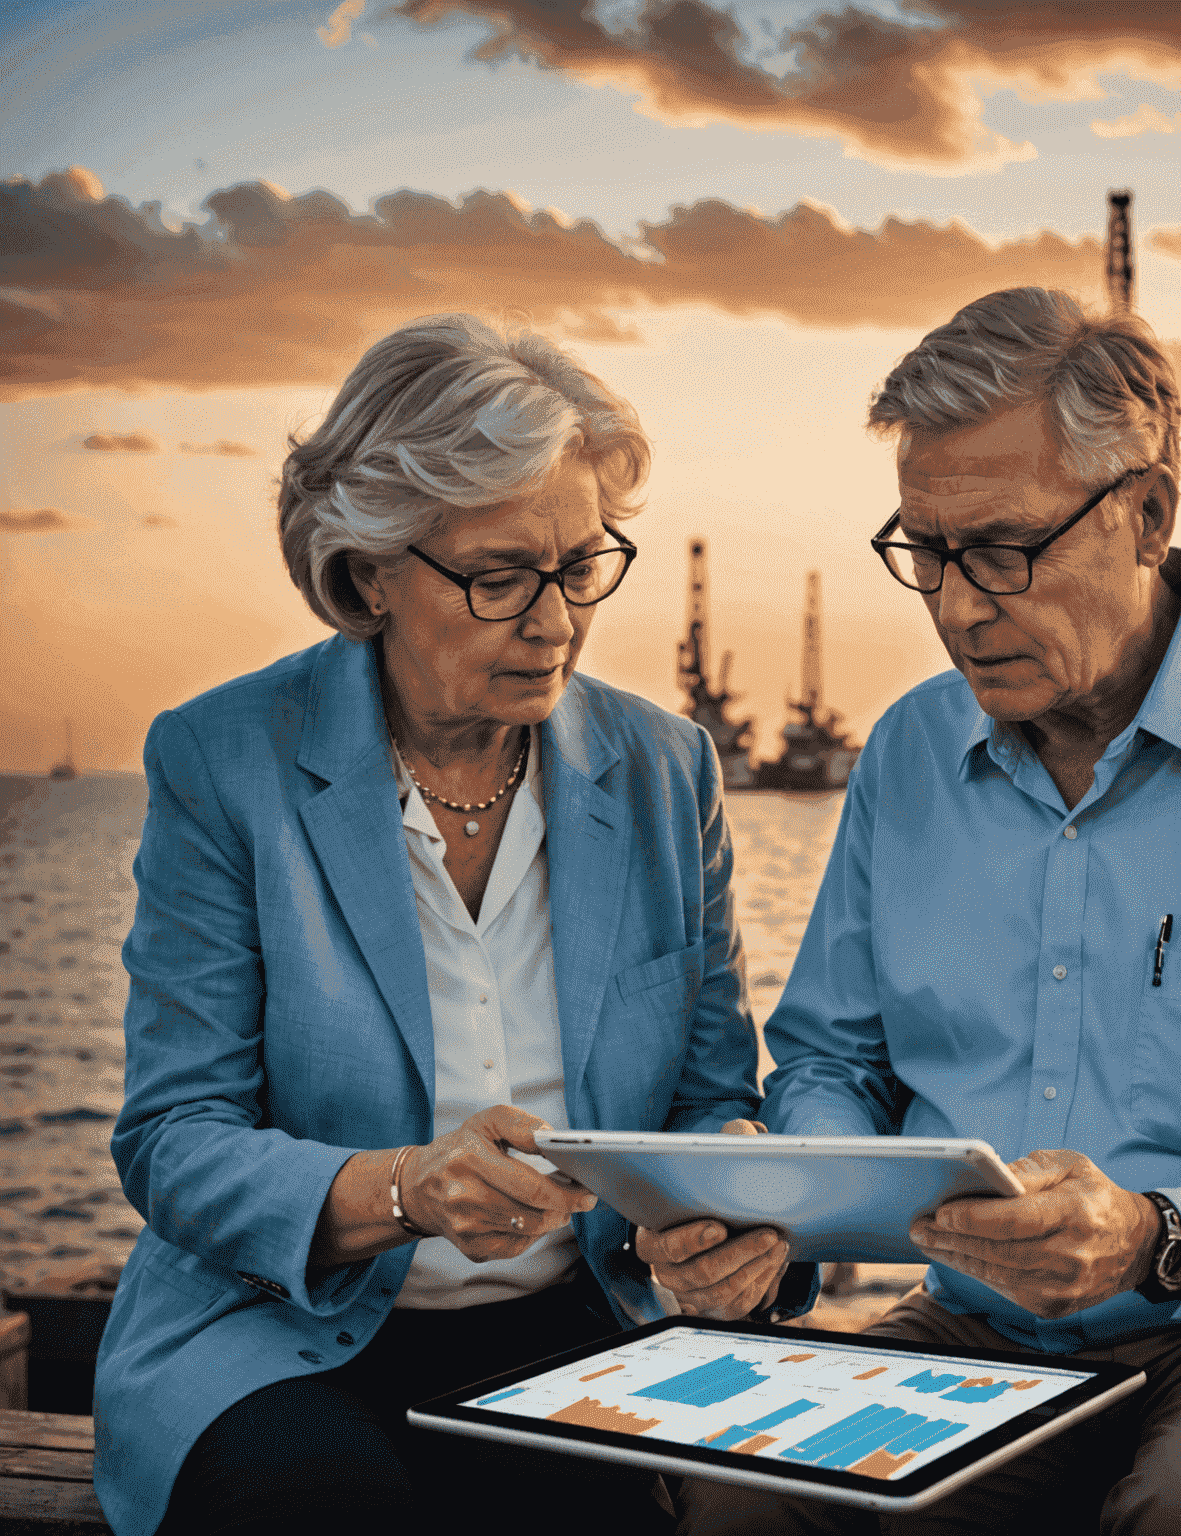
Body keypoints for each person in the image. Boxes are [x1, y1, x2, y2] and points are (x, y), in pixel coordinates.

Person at [676, 287, 1181, 1536]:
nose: (959, 606)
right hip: (977, 1326)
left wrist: (1160, 1242)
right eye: (926, 554)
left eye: (1005, 550)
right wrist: (780, 1218)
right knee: (744, 1502)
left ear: (1149, 514)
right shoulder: (907, 754)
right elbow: (833, 1063)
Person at [94, 314, 805, 1536]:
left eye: (581, 566)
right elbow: (174, 1137)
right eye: (499, 577)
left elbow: (706, 1097)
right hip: (276, 1335)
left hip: (578, 1329)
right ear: (370, 570)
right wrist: (405, 1190)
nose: (555, 622)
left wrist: (728, 1224)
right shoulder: (222, 760)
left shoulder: (665, 769)